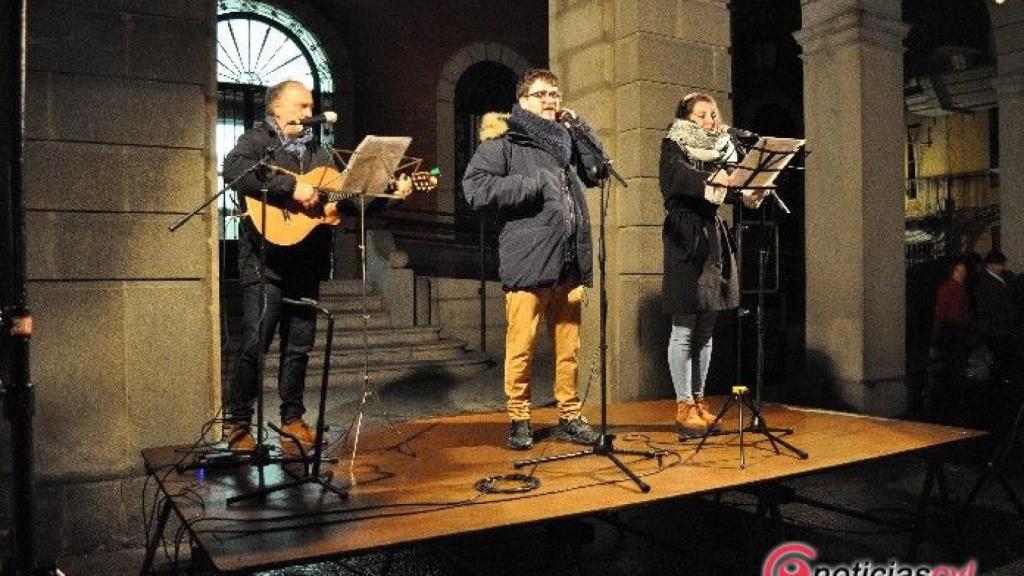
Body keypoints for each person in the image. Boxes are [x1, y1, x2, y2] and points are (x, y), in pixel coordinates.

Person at [222, 80, 410, 456]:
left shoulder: (321, 154)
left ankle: (292, 420)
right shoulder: (258, 141)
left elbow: (349, 204)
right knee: (255, 342)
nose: (308, 114)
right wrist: (289, 189)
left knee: (299, 346)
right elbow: (234, 170)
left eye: (311, 106)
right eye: (301, 106)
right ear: (275, 108)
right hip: (264, 261)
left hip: (306, 261)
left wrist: (388, 196)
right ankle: (238, 424)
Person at [462, 69, 607, 450]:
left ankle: (570, 415)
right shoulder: (504, 139)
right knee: (521, 346)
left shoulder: (565, 141)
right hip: (527, 259)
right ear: (523, 100)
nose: (551, 100)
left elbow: (598, 172)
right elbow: (474, 188)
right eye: (542, 94)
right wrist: (529, 186)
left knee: (569, 348)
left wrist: (583, 129)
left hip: (570, 258)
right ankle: (519, 417)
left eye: (555, 94)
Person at [659, 92, 764, 438]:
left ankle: (700, 402)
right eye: (701, 115)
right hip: (686, 234)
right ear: (687, 120)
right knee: (685, 325)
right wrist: (718, 181)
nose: (710, 120)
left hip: (714, 236)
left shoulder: (725, 149)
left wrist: (750, 189)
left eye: (713, 114)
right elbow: (675, 181)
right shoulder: (673, 145)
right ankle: (683, 405)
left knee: (706, 327)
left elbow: (733, 189)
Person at [928, 256, 971, 420]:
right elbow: (942, 314)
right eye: (960, 271)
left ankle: (948, 404)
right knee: (952, 369)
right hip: (952, 334)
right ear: (954, 272)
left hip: (953, 334)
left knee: (951, 369)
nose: (963, 274)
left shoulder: (955, 289)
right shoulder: (951, 289)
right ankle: (950, 404)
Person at [973, 249, 1017, 384]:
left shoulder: (1002, 278)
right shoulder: (984, 283)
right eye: (999, 264)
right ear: (990, 265)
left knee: (1003, 356)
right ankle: (998, 383)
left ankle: (1001, 380)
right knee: (1000, 357)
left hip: (1001, 326)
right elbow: (986, 307)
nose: (1001, 267)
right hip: (995, 327)